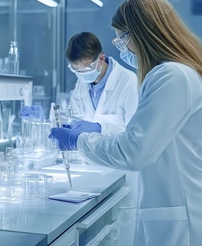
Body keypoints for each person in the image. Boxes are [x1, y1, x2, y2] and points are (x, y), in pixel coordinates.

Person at [49, 0, 202, 245]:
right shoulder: (185, 71)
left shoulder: (170, 75)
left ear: (142, 33)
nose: (123, 49)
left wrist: (78, 140)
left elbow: (133, 152)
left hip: (190, 223)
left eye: (122, 40)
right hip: (195, 210)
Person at [65, 31, 139, 246]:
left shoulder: (128, 82)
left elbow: (134, 135)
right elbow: (75, 116)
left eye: (86, 68)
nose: (82, 73)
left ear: (101, 58)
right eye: (75, 69)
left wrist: (99, 127)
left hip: (123, 173)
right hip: (92, 170)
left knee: (121, 235)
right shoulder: (82, 83)